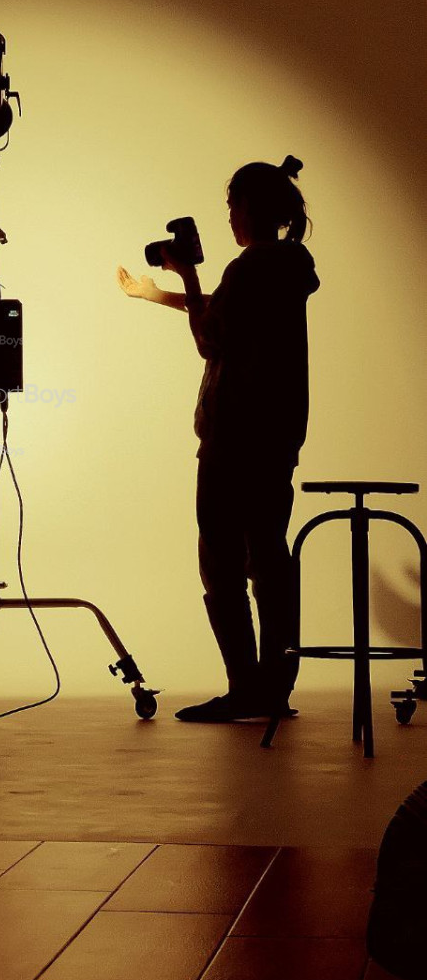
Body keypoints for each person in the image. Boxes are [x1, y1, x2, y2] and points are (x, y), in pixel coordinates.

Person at [118, 156, 319, 722]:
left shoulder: (251, 267)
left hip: (234, 437)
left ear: (250, 207)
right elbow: (232, 314)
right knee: (269, 560)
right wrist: (160, 294)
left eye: (232, 205)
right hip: (276, 436)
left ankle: (245, 687)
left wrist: (185, 275)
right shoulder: (288, 265)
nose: (229, 217)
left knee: (223, 564)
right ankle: (273, 687)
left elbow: (211, 338)